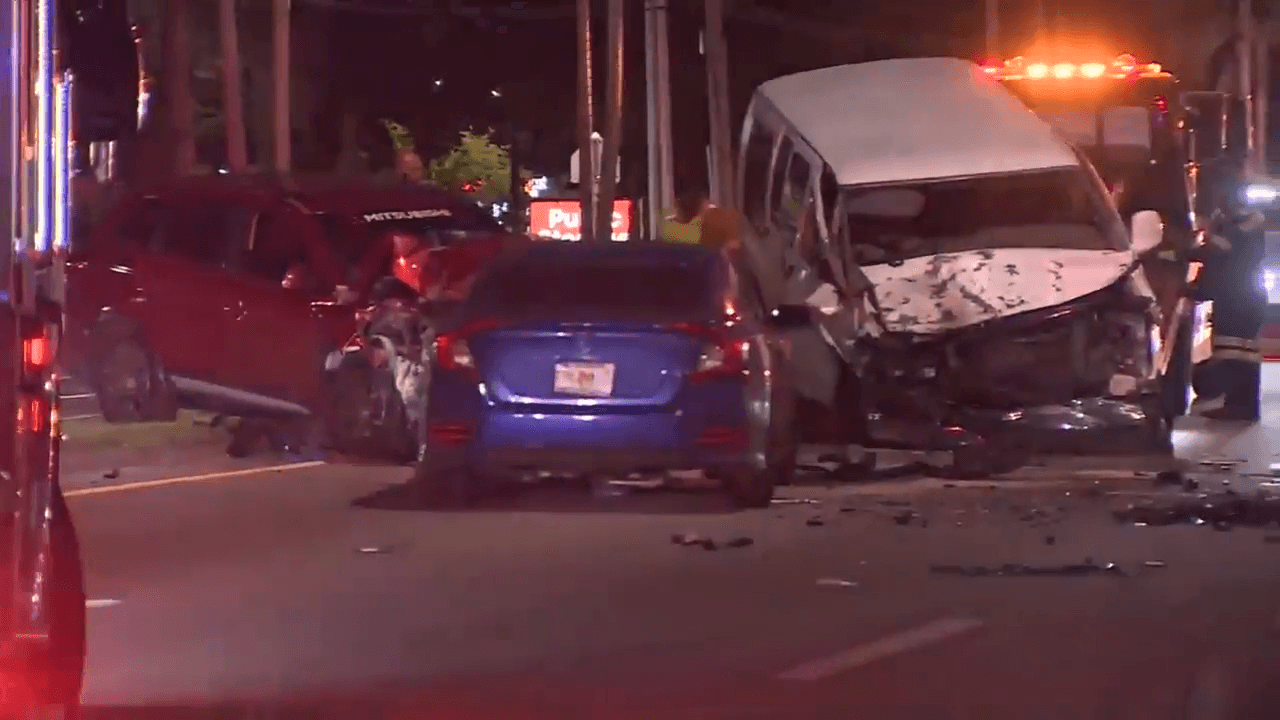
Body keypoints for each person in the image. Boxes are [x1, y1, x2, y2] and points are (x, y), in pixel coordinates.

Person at [1192, 158, 1266, 421]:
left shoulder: (1249, 219)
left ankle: (1242, 407)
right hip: (1234, 294)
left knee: (1239, 351)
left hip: (1243, 296)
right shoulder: (1227, 216)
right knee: (1232, 351)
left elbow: (1231, 248)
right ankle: (1235, 404)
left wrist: (1208, 237)